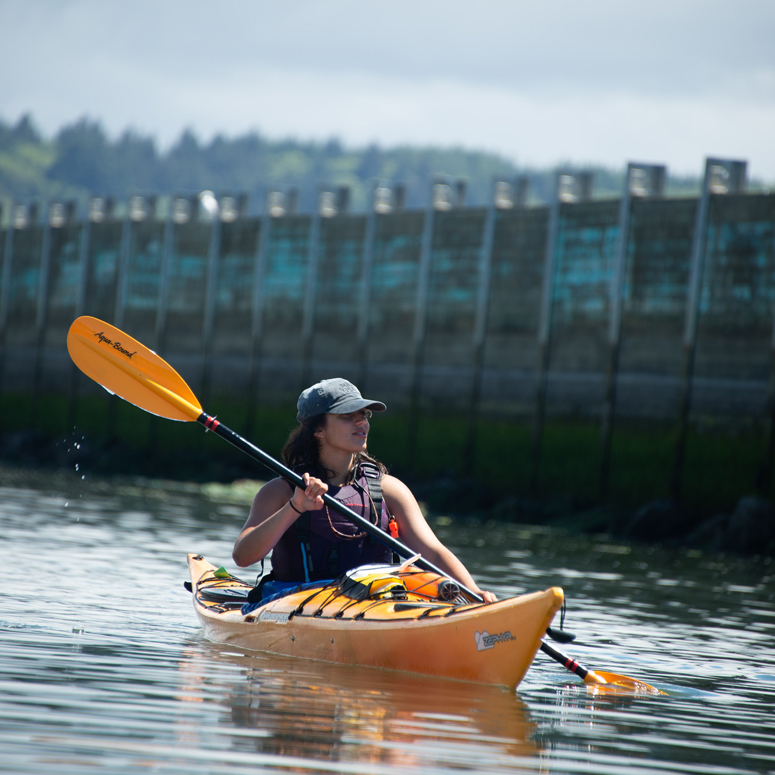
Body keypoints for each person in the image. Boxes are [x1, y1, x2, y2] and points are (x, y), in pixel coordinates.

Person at [233, 378, 496, 603]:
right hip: (297, 602)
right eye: (348, 417)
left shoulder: (389, 490)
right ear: (319, 431)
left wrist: (472, 591)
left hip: (374, 603)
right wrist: (295, 508)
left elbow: (431, 550)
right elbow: (243, 556)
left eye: (364, 415)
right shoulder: (280, 491)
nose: (362, 423)